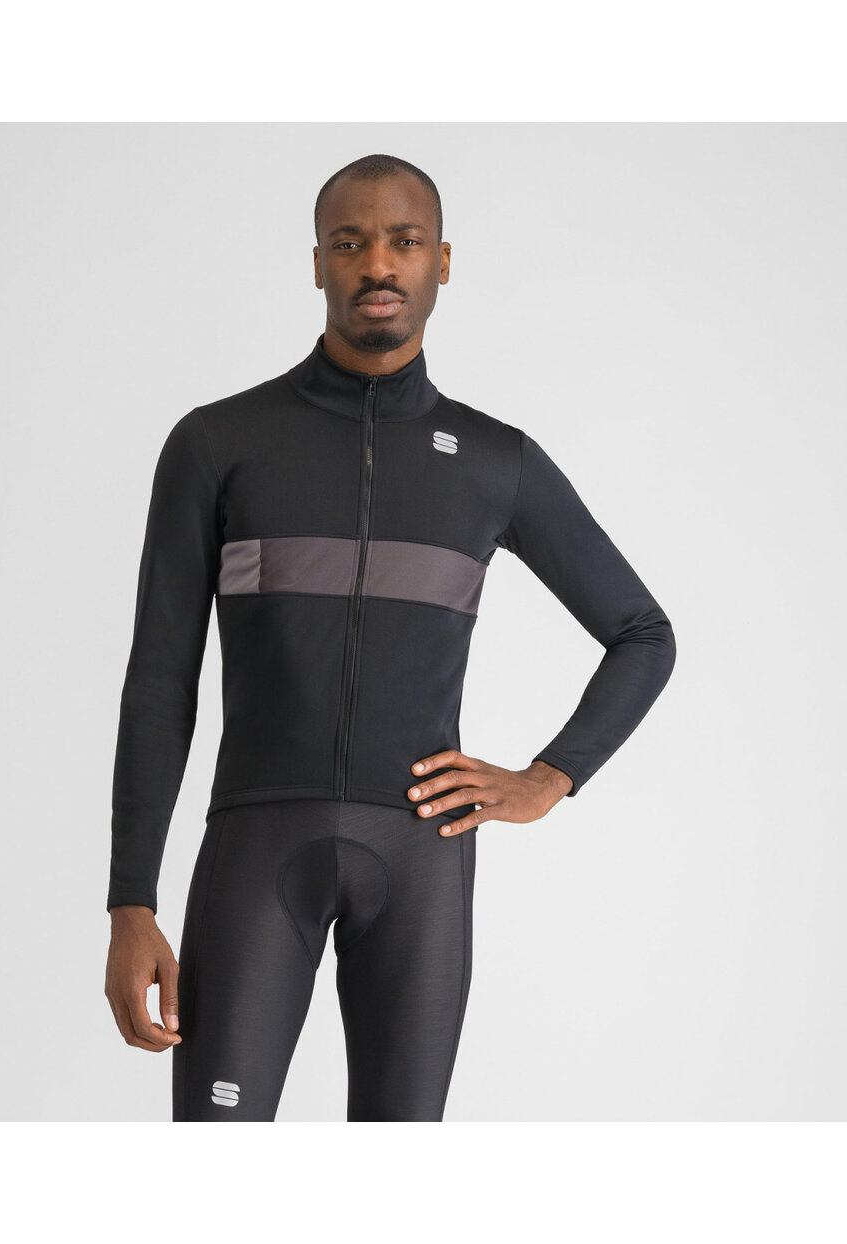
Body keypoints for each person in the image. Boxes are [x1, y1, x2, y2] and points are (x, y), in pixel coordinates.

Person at [103, 153, 677, 1122]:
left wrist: (548, 778)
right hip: (255, 849)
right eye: (350, 242)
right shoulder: (217, 443)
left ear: (441, 261)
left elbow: (642, 633)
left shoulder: (494, 461)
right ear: (316, 264)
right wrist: (131, 900)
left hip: (421, 861)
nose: (378, 263)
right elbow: (160, 680)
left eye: (404, 241)